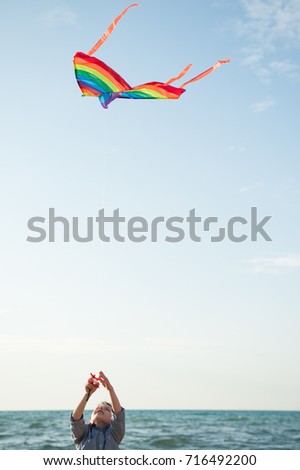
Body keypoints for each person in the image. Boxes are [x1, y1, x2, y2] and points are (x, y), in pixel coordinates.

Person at [70, 371, 125, 449]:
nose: (101, 408)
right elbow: (75, 419)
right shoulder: (83, 433)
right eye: (97, 408)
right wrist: (88, 394)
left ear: (112, 419)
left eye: (107, 409)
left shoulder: (115, 433)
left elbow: (119, 415)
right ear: (90, 420)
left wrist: (110, 390)